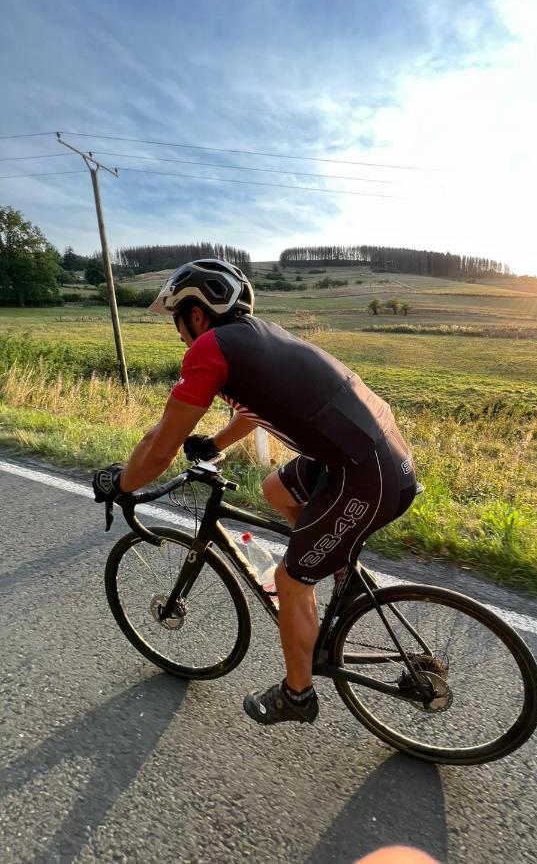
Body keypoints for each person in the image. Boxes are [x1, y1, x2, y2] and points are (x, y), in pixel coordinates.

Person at [93, 259, 417, 726]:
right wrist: (215, 443)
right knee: (275, 488)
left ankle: (297, 695)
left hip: (365, 473)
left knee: (290, 580)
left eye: (178, 320)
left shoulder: (210, 348)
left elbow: (160, 445)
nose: (179, 333)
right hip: (368, 456)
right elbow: (256, 409)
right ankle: (335, 566)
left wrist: (119, 482)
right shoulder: (257, 338)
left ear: (198, 314)